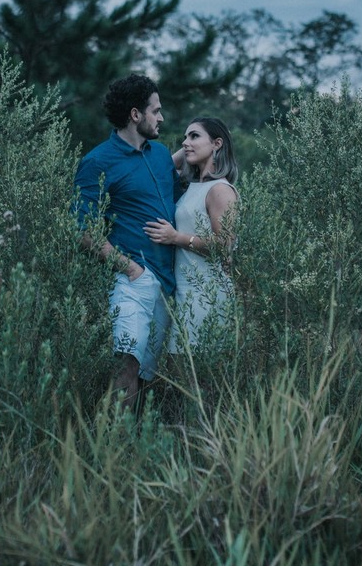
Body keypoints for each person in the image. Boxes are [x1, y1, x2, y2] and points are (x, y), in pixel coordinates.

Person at [74, 74, 181, 412]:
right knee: (127, 364)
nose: (161, 117)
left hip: (168, 281)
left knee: (149, 372)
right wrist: (130, 269)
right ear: (136, 115)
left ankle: (140, 437)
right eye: (156, 110)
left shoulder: (161, 154)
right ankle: (115, 442)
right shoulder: (97, 161)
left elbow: (178, 201)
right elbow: (82, 230)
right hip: (132, 280)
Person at [144, 117, 239, 357]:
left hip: (207, 293)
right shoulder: (193, 185)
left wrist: (176, 237)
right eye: (185, 137)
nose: (185, 142)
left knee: (191, 371)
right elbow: (160, 167)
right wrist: (190, 147)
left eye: (194, 136)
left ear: (217, 143)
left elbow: (224, 244)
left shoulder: (220, 190)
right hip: (184, 291)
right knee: (180, 369)